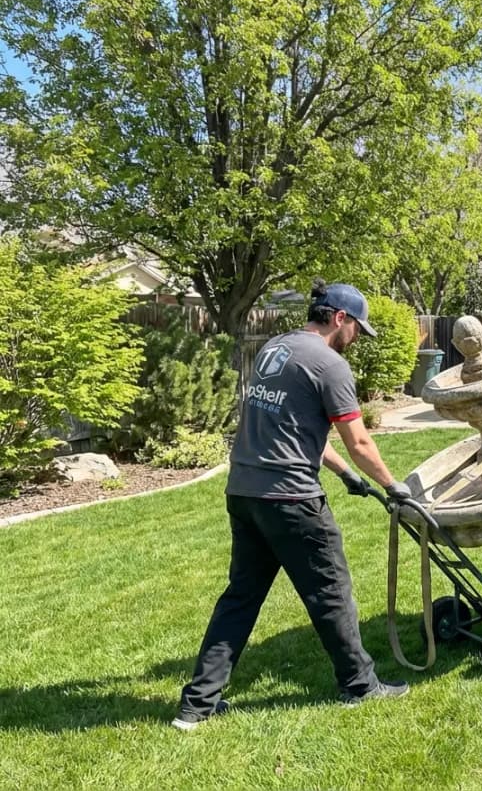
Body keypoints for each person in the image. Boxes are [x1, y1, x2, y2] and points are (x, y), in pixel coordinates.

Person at [172, 280, 413, 731]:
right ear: (339, 319)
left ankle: (196, 706)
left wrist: (346, 476)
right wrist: (392, 483)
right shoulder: (330, 365)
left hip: (244, 492)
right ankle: (361, 685)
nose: (357, 337)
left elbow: (297, 430)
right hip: (291, 498)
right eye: (357, 327)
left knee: (239, 599)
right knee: (331, 591)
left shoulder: (274, 350)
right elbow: (358, 440)